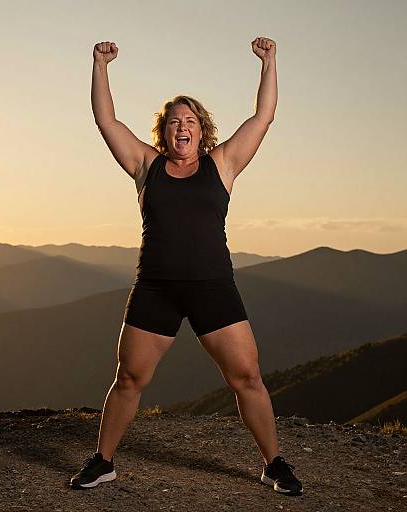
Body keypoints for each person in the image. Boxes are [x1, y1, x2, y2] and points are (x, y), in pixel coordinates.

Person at [70, 38, 303, 496]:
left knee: (247, 377)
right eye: (174, 121)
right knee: (129, 378)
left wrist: (269, 62)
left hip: (213, 288)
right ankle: (103, 462)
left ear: (202, 131)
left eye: (190, 120)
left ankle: (273, 463)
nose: (182, 126)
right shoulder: (145, 165)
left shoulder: (223, 164)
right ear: (164, 131)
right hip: (156, 289)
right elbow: (106, 120)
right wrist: (99, 65)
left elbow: (263, 117)